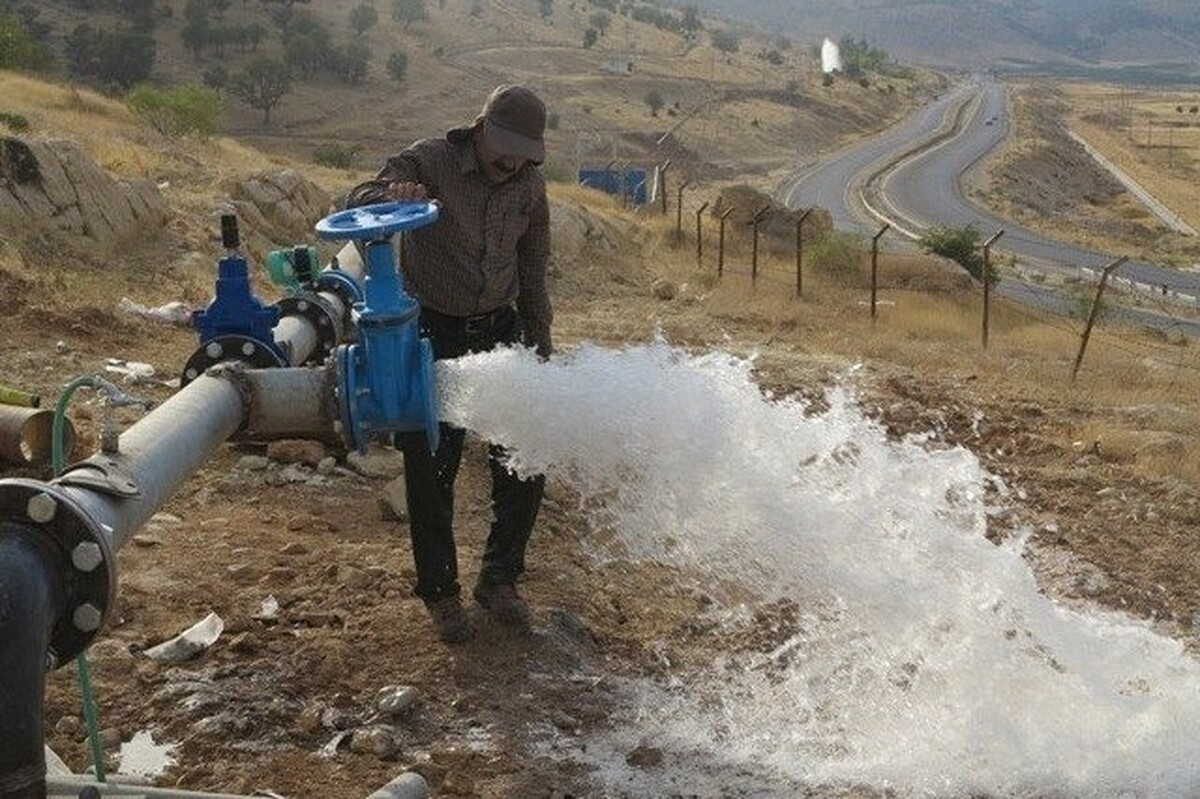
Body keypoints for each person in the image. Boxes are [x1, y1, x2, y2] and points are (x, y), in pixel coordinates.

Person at [344, 85, 552, 644]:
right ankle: (441, 595)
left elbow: (533, 270)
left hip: (500, 333)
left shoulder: (530, 187)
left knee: (525, 459)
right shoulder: (431, 160)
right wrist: (391, 193)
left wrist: (541, 345)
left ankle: (500, 578)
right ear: (481, 129)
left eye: (523, 153)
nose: (512, 162)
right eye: (505, 148)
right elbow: (358, 198)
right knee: (432, 469)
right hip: (433, 334)